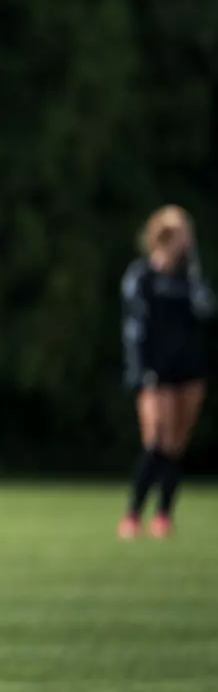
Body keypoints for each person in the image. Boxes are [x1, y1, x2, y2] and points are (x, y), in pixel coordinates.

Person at [119, 204, 213, 539]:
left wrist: (195, 274)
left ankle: (163, 515)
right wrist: (140, 369)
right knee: (155, 439)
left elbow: (205, 311)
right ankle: (132, 514)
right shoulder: (142, 276)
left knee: (176, 444)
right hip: (154, 369)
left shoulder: (189, 279)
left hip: (187, 367)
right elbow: (134, 327)